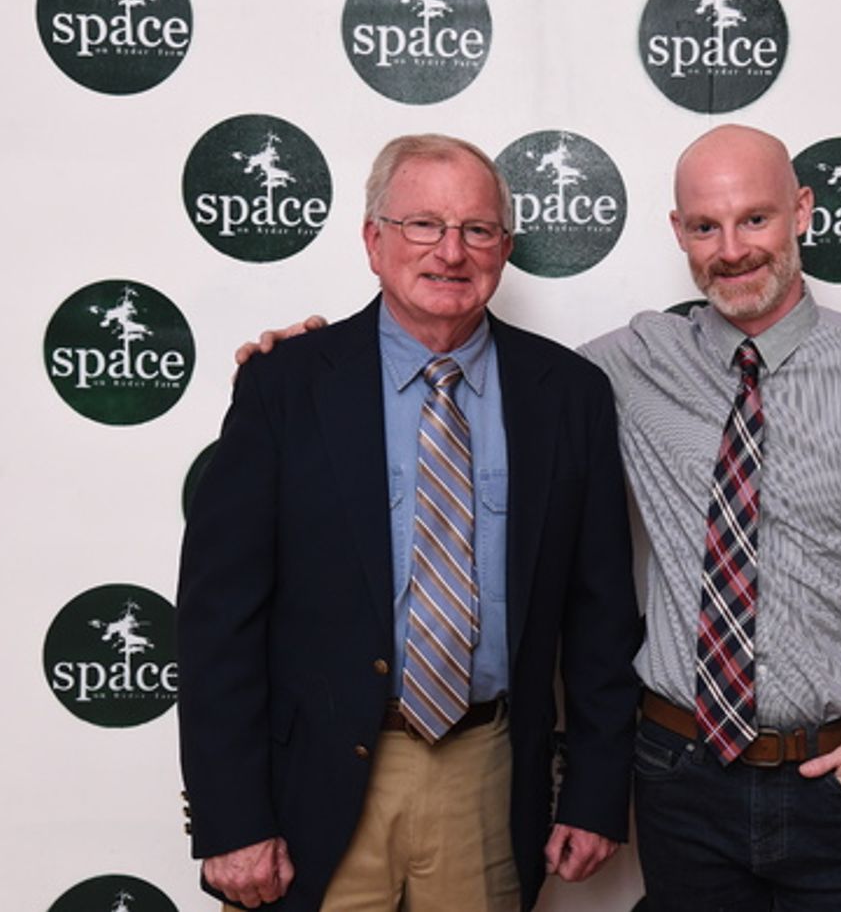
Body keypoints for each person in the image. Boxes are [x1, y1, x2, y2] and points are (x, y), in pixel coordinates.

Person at [242, 124, 841, 911]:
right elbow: (458, 352)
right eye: (706, 226)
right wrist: (310, 361)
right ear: (679, 234)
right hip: (682, 781)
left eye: (756, 219)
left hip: (839, 783)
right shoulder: (624, 365)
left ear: (802, 212)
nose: (733, 248)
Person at [177, 133, 641, 912]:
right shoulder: (285, 387)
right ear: (373, 240)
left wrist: (594, 791)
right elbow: (218, 618)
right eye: (423, 224)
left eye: (477, 229)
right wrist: (229, 818)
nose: (450, 251)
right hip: (312, 784)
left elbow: (600, 616)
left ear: (504, 246)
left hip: (486, 773)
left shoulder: (568, 394)